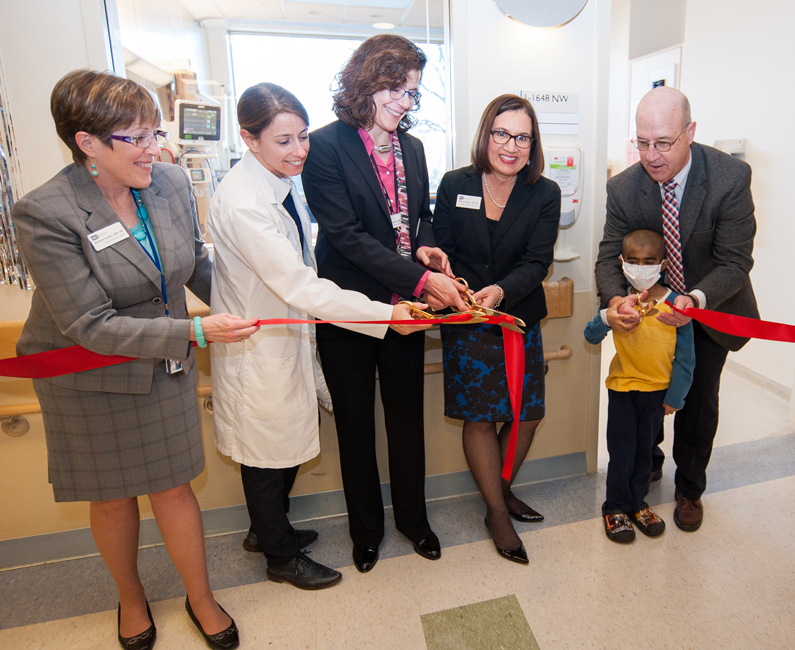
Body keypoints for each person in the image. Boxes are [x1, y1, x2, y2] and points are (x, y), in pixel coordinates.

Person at [12, 70, 258, 650]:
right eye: (137, 138)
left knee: (174, 486)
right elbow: (87, 324)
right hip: (88, 370)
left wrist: (252, 299)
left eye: (155, 132)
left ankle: (199, 597)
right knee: (113, 494)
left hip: (161, 356)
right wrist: (196, 331)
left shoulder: (167, 184)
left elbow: (194, 263)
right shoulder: (45, 214)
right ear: (86, 142)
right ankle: (130, 597)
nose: (155, 148)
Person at [207, 83, 430, 590]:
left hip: (284, 334)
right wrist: (383, 315)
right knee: (264, 453)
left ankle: (268, 532)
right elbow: (300, 283)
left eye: (303, 136)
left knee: (279, 448)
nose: (300, 150)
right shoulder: (245, 203)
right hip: (260, 345)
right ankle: (278, 554)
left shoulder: (277, 187)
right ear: (249, 139)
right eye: (284, 140)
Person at [302, 34, 468, 573]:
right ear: (363, 83)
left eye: (412, 92)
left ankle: (414, 522)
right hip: (350, 309)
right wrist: (422, 283)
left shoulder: (413, 149)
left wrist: (423, 245)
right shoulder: (325, 148)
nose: (403, 101)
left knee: (406, 421)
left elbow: (418, 215)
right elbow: (346, 236)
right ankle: (366, 531)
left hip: (405, 312)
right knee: (354, 427)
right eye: (394, 89)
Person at [595, 86, 759, 532]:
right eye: (642, 142)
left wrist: (696, 300)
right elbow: (610, 254)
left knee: (697, 401)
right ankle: (647, 463)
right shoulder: (625, 188)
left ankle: (689, 487)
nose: (651, 155)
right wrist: (615, 300)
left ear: (690, 132)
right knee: (647, 393)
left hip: (711, 308)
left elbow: (735, 261)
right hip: (650, 316)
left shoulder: (729, 178)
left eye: (663, 143)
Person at [432, 94, 561, 564]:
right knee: (480, 416)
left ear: (533, 144)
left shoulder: (544, 193)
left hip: (518, 315)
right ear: (486, 135)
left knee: (526, 413)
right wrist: (439, 273)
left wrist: (502, 292)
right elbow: (439, 245)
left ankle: (500, 488)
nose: (510, 145)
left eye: (522, 137)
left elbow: (537, 261)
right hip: (466, 320)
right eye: (502, 134)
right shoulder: (454, 184)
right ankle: (496, 511)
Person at [585, 229, 694, 543]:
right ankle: (615, 506)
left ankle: (637, 504)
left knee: (644, 453)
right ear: (622, 263)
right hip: (622, 389)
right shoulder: (620, 302)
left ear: (663, 263)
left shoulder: (678, 307)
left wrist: (676, 396)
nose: (641, 267)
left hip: (658, 393)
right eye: (633, 261)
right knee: (621, 451)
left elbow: (686, 357)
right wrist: (608, 315)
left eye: (649, 261)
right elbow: (590, 336)